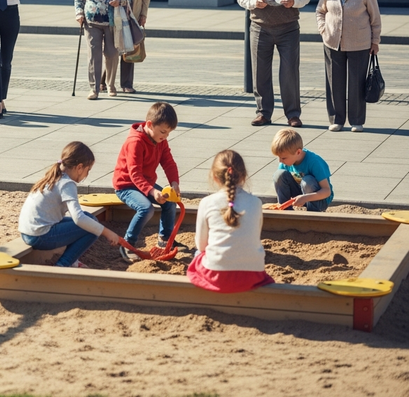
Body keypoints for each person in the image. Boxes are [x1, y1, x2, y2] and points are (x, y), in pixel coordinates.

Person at [237, 0, 312, 128]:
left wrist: (294, 1)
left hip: (288, 28)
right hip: (260, 28)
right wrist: (254, 2)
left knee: (289, 72)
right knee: (260, 73)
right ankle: (263, 113)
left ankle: (293, 114)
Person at [18, 142, 120, 268]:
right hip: (39, 236)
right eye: (88, 171)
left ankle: (72, 260)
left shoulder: (54, 176)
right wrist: (107, 232)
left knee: (90, 220)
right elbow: (78, 218)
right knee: (92, 227)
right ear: (79, 167)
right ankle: (64, 264)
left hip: (27, 232)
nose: (86, 175)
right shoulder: (67, 183)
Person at [187, 150, 274, 293]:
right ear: (244, 176)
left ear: (215, 177)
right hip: (252, 275)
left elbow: (201, 246)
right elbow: (255, 237)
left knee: (198, 254)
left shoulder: (207, 202)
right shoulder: (256, 202)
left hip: (216, 275)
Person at [315, 0, 382, 132]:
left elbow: (374, 16)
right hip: (332, 41)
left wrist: (375, 41)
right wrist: (323, 30)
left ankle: (356, 120)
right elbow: (320, 10)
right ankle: (336, 119)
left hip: (359, 42)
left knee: (357, 82)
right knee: (333, 81)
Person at [113, 102, 184, 263]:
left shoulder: (160, 140)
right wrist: (152, 191)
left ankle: (165, 239)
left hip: (145, 183)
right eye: (163, 132)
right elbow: (134, 174)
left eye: (168, 133)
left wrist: (174, 182)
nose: (165, 136)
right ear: (150, 125)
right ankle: (127, 244)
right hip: (126, 185)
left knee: (170, 203)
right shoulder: (135, 142)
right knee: (145, 209)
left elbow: (169, 162)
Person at [74, 0, 129, 99]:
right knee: (94, 55)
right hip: (92, 22)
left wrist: (120, 1)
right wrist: (79, 13)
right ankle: (94, 88)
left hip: (113, 21)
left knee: (112, 54)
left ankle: (111, 85)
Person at [114, 0, 150, 93]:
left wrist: (143, 14)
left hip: (133, 16)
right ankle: (103, 81)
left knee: (130, 49)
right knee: (112, 51)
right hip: (115, 17)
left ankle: (127, 84)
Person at [270, 128, 334, 212]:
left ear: (298, 152)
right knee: (278, 174)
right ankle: (285, 209)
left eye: (283, 158)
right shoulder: (285, 161)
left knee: (307, 181)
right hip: (301, 195)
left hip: (319, 199)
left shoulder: (314, 162)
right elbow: (279, 181)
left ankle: (313, 213)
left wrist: (305, 197)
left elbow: (327, 191)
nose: (280, 161)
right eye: (278, 157)